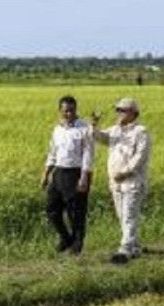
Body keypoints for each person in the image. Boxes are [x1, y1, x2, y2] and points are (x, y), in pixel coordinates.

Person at [91, 98, 151, 264]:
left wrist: (124, 173)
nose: (119, 113)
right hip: (115, 182)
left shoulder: (141, 132)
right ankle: (136, 246)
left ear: (133, 113)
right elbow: (99, 138)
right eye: (117, 110)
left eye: (122, 110)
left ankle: (125, 249)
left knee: (129, 215)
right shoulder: (115, 130)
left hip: (133, 181)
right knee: (122, 215)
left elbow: (140, 156)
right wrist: (94, 124)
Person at [40, 95, 94, 254]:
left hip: (76, 172)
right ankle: (65, 237)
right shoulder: (57, 129)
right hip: (59, 172)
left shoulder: (85, 129)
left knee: (75, 211)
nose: (68, 114)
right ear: (60, 111)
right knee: (51, 209)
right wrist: (45, 174)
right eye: (65, 111)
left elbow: (88, 155)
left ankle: (77, 243)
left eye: (71, 110)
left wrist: (84, 177)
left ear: (76, 110)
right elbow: (52, 153)